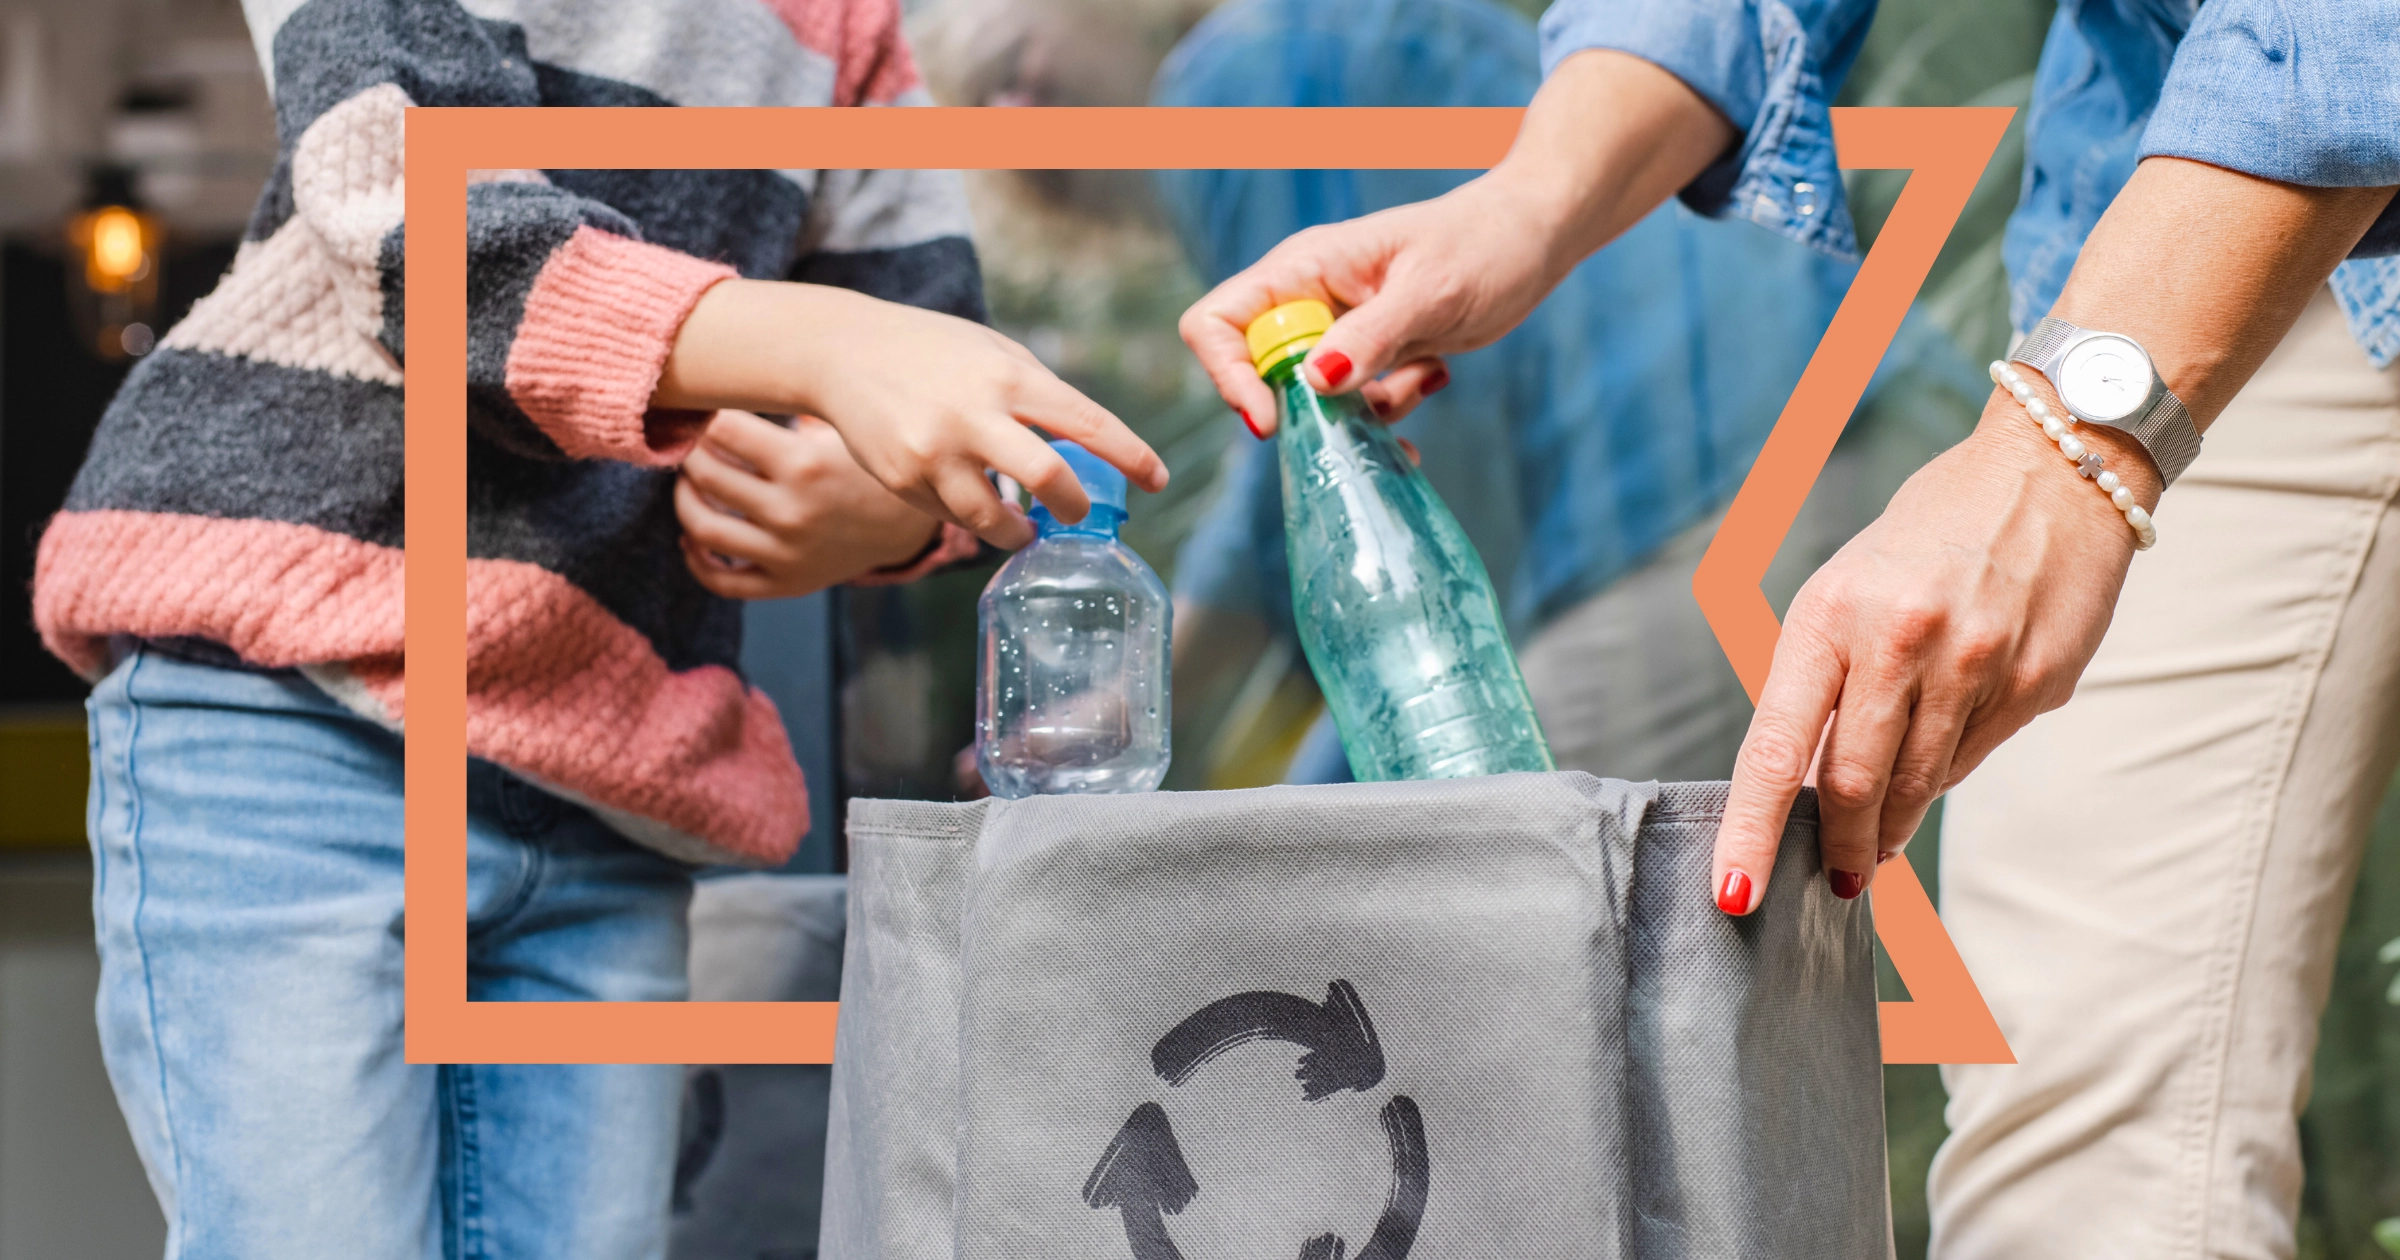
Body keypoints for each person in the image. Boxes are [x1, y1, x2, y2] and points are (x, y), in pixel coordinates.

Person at [1176, 0, 2397, 1254]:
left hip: (2200, 253)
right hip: (2230, 271)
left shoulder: (1235, 78)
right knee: (2083, 1116)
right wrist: (1527, 201)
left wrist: (2061, 455)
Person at [30, 0, 1162, 1254]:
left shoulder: (846, 32)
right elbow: (404, 212)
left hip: (604, 789)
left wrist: (874, 512)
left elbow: (926, 350)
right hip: (295, 713)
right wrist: (825, 350)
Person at [1153, 0, 1977, 789]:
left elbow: (1360, 479)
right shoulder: (1356, 33)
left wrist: (1149, 696)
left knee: (1491, 879)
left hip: (1723, 505)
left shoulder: (1245, 75)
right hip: (1880, 418)